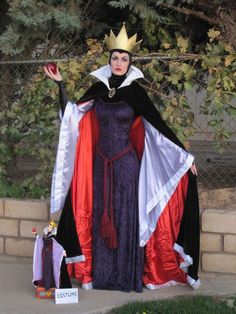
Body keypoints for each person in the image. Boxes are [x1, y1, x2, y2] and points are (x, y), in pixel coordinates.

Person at [44, 23, 200, 292]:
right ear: (109, 60)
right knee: (102, 218)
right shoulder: (98, 89)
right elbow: (73, 117)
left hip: (127, 167)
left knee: (125, 219)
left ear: (130, 62)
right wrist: (60, 86)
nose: (118, 62)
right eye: (115, 58)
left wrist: (185, 158)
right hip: (100, 165)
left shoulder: (135, 93)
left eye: (124, 59)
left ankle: (126, 277)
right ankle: (102, 276)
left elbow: (159, 127)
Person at [32, 220, 72, 290]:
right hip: (44, 253)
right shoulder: (46, 235)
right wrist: (35, 234)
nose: (49, 227)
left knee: (48, 267)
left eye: (51, 227)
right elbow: (40, 240)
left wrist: (62, 251)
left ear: (53, 228)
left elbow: (57, 245)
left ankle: (50, 284)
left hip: (49, 254)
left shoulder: (53, 236)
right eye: (49, 226)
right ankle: (44, 283)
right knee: (44, 267)